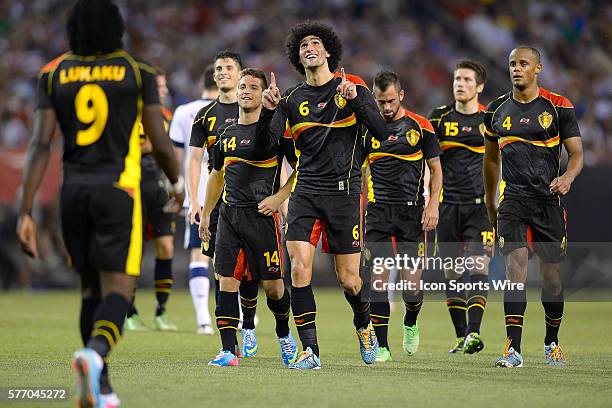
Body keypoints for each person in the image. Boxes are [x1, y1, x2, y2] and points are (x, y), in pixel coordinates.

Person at [16, 0, 183, 406]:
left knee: (89, 289)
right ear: (117, 28)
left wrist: (26, 210)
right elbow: (159, 141)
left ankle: (101, 386)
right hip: (118, 192)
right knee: (119, 293)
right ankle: (94, 357)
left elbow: (40, 144)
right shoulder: (136, 71)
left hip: (72, 193)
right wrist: (177, 183)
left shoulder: (52, 73)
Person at [269, 21, 390, 369]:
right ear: (298, 55)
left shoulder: (353, 88)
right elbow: (272, 145)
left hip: (345, 194)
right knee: (298, 271)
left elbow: (381, 132)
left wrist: (357, 103)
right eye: (303, 44)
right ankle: (311, 352)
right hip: (306, 190)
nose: (309, 47)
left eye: (315, 43)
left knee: (349, 279)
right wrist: (269, 111)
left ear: (328, 52)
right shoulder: (290, 100)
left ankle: (364, 325)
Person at [483, 46, 583, 368]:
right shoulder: (495, 111)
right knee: (516, 270)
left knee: (552, 279)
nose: (516, 69)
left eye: (523, 63)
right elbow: (491, 159)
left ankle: (551, 342)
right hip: (512, 201)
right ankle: (513, 349)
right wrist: (490, 200)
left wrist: (567, 176)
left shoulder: (558, 107)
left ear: (537, 68)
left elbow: (577, 154)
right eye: (512, 63)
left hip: (548, 202)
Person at [200, 68, 298, 367]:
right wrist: (206, 216)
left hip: (262, 218)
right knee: (226, 281)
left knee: (274, 288)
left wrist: (279, 198)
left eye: (254, 87)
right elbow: (217, 176)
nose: (246, 91)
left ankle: (284, 334)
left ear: (262, 94)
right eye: (243, 86)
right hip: (230, 217)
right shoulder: (225, 135)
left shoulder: (274, 133)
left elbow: (301, 168)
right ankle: (228, 350)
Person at [366, 70, 442, 362]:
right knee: (379, 281)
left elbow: (436, 169)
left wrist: (433, 204)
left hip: (412, 212)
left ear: (401, 96)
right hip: (379, 212)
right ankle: (382, 346)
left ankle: (410, 321)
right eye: (380, 101)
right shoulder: (368, 129)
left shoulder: (420, 127)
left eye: (390, 101)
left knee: (412, 285)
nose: (385, 107)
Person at [188, 50, 260, 355]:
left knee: (252, 270)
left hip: (255, 202)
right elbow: (193, 159)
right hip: (218, 204)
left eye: (229, 67)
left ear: (242, 73)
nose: (222, 72)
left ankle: (249, 324)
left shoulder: (258, 110)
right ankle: (230, 338)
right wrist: (194, 201)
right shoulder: (205, 116)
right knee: (223, 271)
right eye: (218, 68)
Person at [428, 60, 491, 354]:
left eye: (466, 79)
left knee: (479, 266)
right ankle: (460, 335)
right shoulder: (439, 119)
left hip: (481, 208)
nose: (459, 84)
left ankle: (474, 333)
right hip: (448, 207)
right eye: (456, 79)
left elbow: (501, 162)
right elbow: (429, 163)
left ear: (479, 87)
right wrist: (430, 201)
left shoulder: (490, 119)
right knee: (451, 273)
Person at [126, 68, 178, 332]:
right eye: (159, 86)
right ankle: (130, 312)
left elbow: (171, 150)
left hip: (159, 188)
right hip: (133, 184)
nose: (164, 90)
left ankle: (161, 311)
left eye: (164, 86)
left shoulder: (167, 115)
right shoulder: (128, 112)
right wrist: (157, 144)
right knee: (133, 251)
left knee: (166, 247)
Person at [169, 64, 217, 335]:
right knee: (234, 257)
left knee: (198, 255)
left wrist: (178, 193)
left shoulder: (184, 112)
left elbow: (178, 159)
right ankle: (244, 317)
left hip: (196, 195)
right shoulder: (233, 109)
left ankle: (203, 319)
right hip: (229, 193)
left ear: (202, 82)